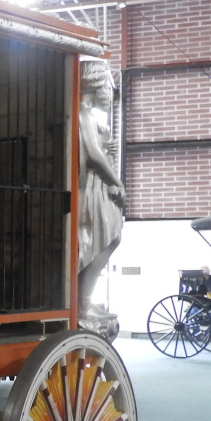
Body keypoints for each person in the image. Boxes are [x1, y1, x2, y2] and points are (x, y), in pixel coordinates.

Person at [77, 58, 125, 312]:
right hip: (93, 187)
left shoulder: (89, 114)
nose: (109, 88)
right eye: (107, 82)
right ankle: (82, 303)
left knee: (109, 239)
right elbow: (93, 155)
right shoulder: (83, 112)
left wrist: (108, 147)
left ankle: (84, 301)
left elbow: (99, 151)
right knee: (103, 241)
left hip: (99, 185)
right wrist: (118, 183)